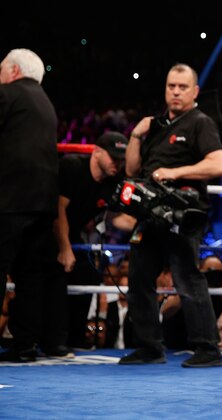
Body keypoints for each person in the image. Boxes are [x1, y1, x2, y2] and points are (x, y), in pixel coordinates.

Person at [120, 63, 222, 367]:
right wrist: (135, 136)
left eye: (182, 87)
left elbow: (218, 164)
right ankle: (149, 347)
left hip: (183, 212)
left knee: (187, 277)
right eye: (171, 86)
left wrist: (174, 172)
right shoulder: (154, 125)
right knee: (138, 275)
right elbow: (130, 171)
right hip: (150, 210)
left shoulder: (200, 122)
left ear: (194, 91)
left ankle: (208, 349)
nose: (176, 92)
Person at [0, 49, 60, 362]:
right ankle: (24, 346)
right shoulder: (46, 103)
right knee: (29, 275)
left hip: (9, 199)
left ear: (12, 70)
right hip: (42, 202)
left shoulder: (8, 93)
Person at [54, 131, 131, 351]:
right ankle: (52, 339)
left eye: (120, 158)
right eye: (113, 157)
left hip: (75, 236)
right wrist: (64, 248)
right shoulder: (72, 166)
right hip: (47, 231)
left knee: (88, 274)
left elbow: (117, 217)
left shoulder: (113, 180)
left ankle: (76, 339)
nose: (117, 162)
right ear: (96, 152)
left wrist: (144, 225)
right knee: (55, 279)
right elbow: (58, 209)